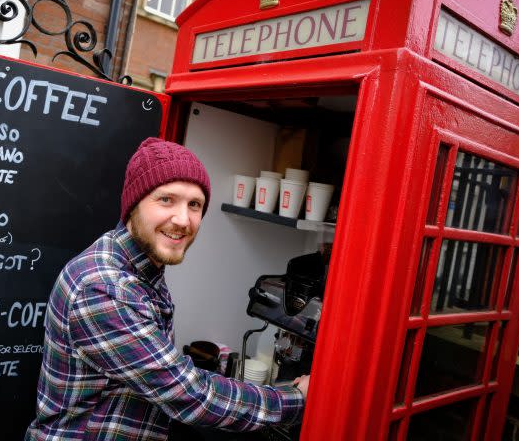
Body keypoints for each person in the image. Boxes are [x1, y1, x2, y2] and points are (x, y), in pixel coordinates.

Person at [25, 137, 310, 440]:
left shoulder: (138, 265)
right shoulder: (105, 288)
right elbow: (188, 394)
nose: (183, 220)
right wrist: (296, 399)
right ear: (134, 204)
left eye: (195, 205)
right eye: (166, 200)